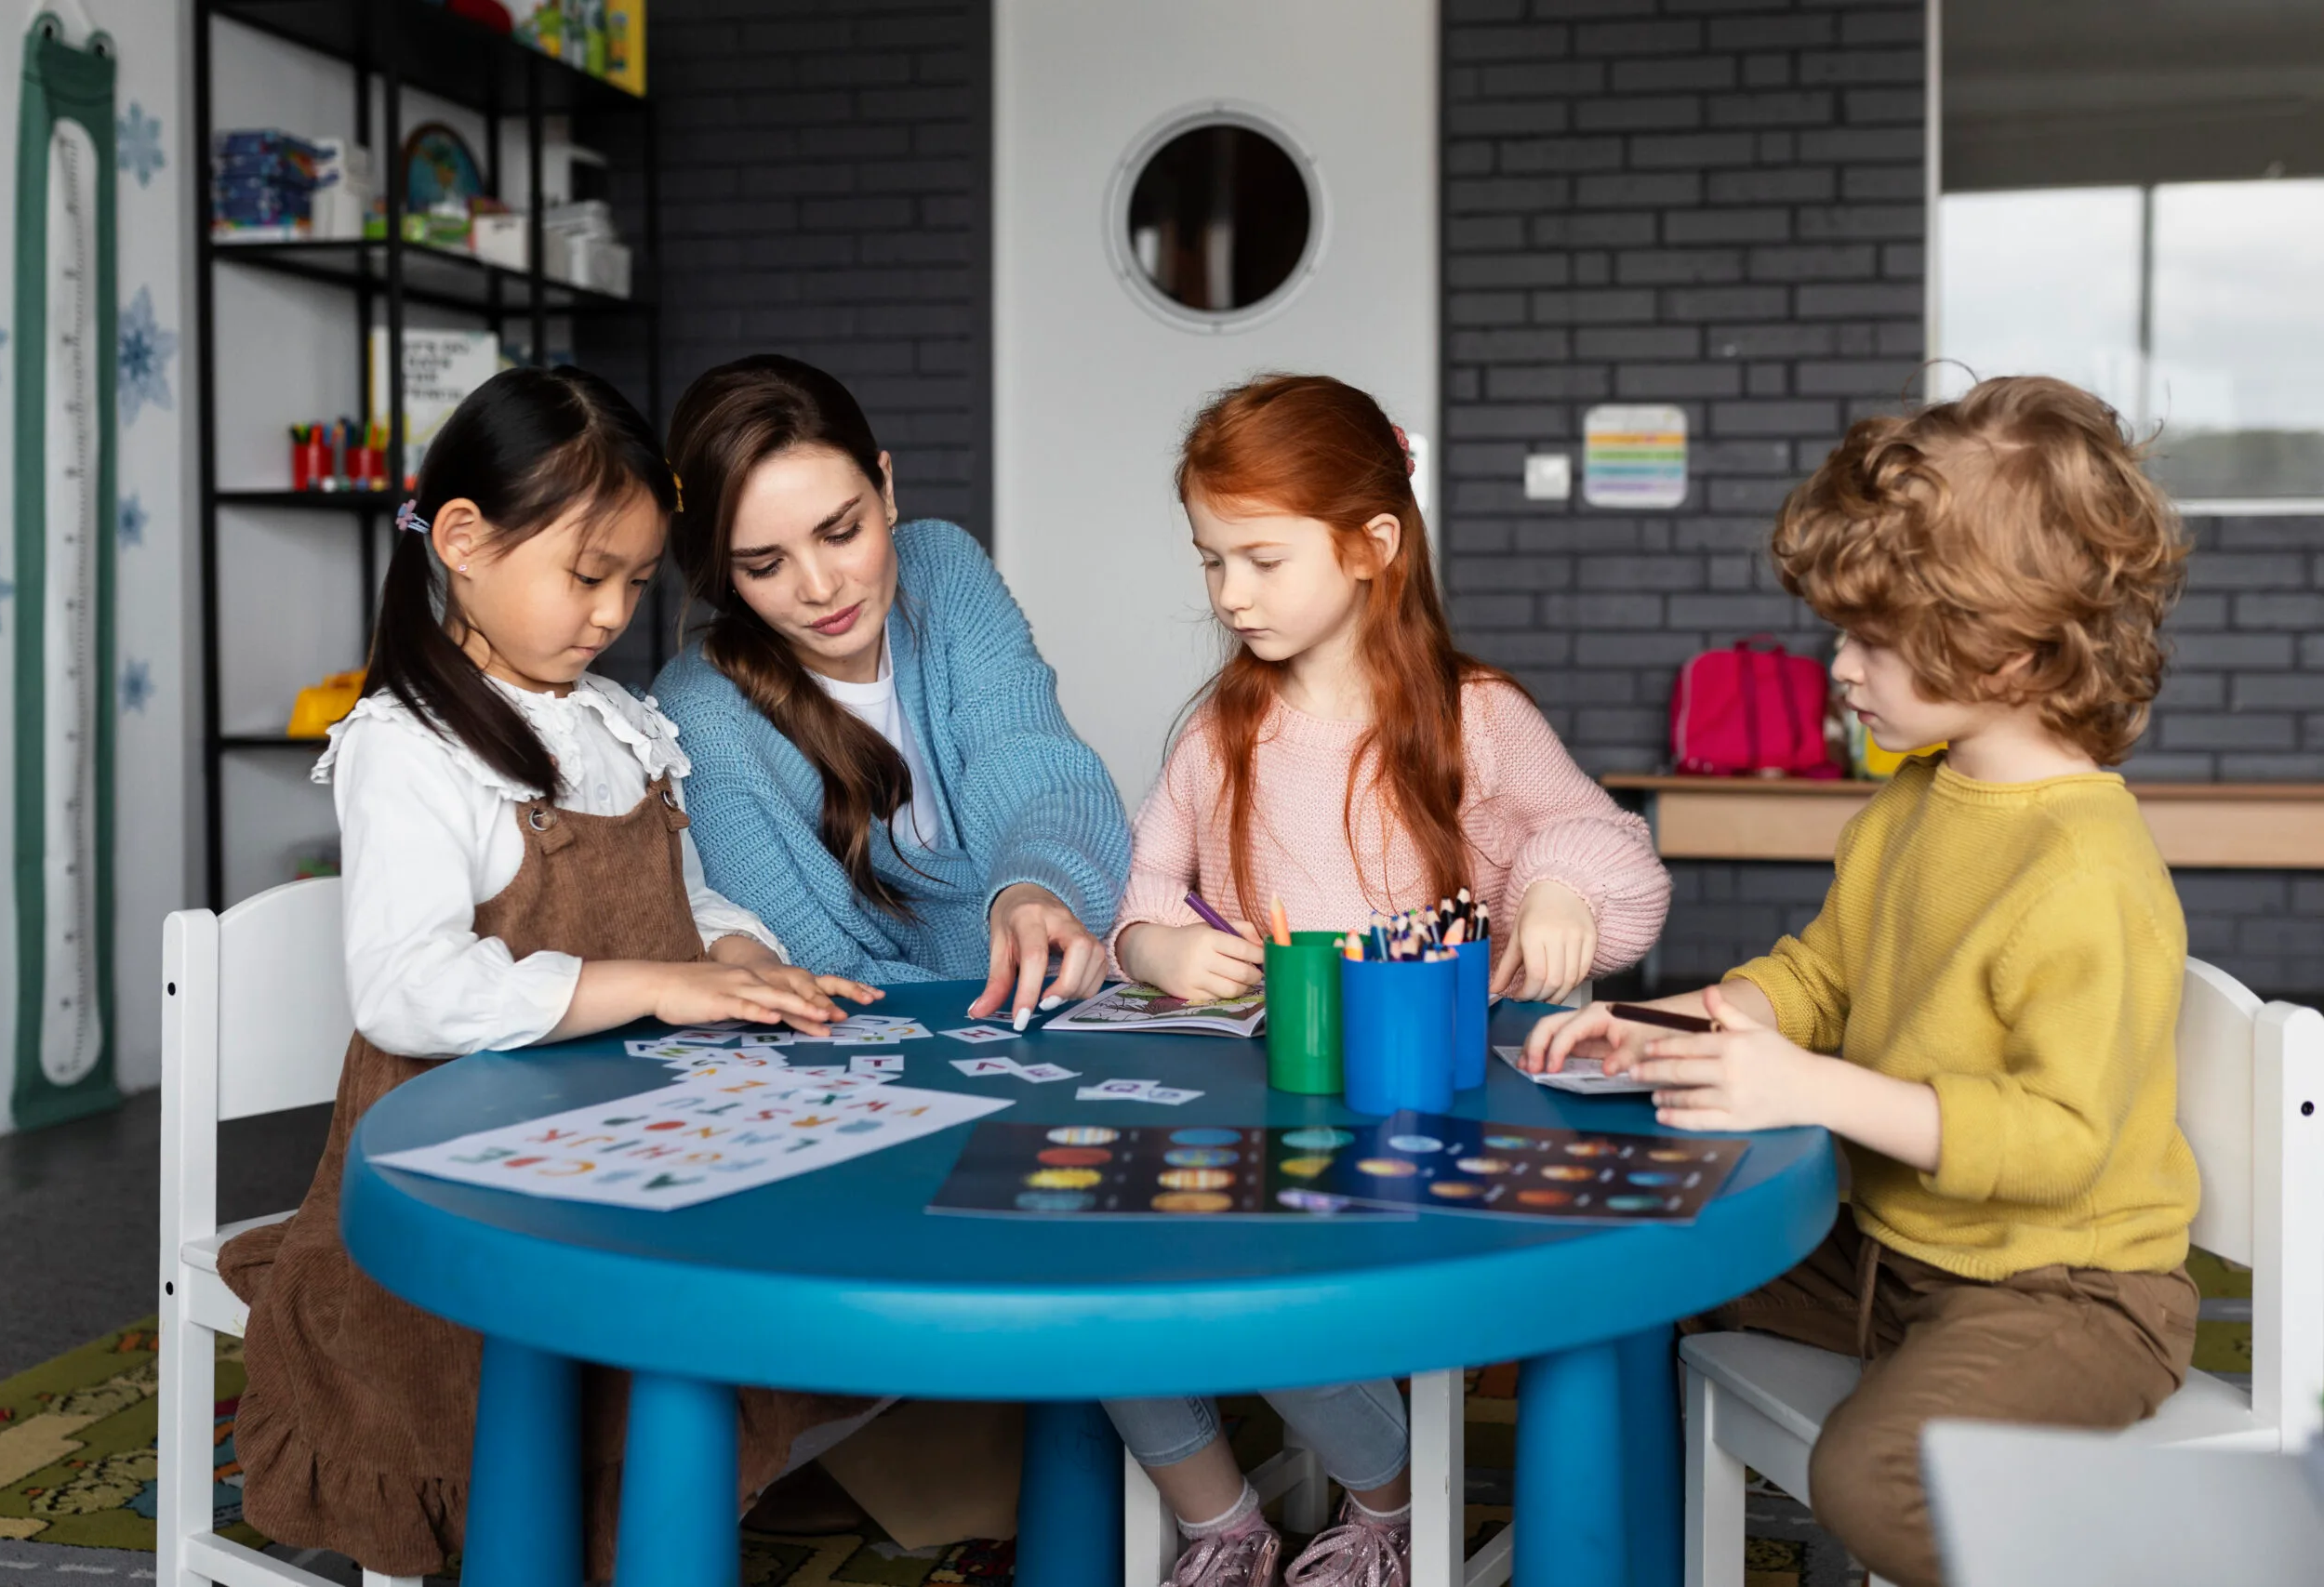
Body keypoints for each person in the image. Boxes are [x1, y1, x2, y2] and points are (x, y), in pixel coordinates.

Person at [1521, 376, 2202, 1587]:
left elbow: (2062, 1141)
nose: (1839, 667)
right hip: (1898, 1252)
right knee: (1637, 1254)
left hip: (2068, 1294)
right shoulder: (1917, 797)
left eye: (1875, 641)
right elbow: (1823, 973)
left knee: (1870, 1475)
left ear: (2010, 642)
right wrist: (1677, 1022)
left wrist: (1811, 1084)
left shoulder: (2085, 867)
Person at [217, 366, 886, 1580]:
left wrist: (734, 948)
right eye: (588, 575)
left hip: (620, 1149)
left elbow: (684, 897)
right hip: (459, 1185)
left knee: (731, 1311)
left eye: (634, 582)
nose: (612, 612)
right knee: (550, 1402)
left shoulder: (617, 720)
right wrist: (651, 983)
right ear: (464, 540)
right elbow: (408, 988)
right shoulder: (409, 745)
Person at [1107, 374, 1672, 1587]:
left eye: (1260, 556)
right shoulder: (1219, 730)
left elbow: (1605, 844)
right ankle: (1218, 1513)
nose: (1230, 593)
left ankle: (1391, 1504)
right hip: (1271, 1096)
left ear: (1374, 545)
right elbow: (1142, 893)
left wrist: (1561, 892)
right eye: (1212, 561)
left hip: (1422, 1111)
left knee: (1279, 1290)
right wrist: (1158, 950)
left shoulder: (1476, 715)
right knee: (1096, 1258)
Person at [653, 354, 1130, 1027]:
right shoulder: (700, 711)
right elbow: (815, 968)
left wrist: (1033, 889)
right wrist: (1001, 963)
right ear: (725, 576)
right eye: (765, 565)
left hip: (1041, 1007)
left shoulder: (943, 568)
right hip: (871, 1049)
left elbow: (1031, 758)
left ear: (886, 486)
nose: (819, 588)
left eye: (842, 532)